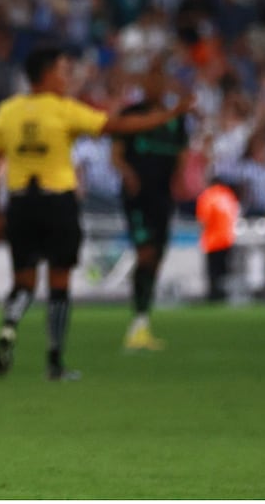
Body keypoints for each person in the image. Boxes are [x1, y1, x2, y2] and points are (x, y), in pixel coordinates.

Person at [0, 46, 193, 380]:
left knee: (23, 282)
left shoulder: (8, 111)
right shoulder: (64, 110)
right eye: (62, 71)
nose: (66, 78)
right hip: (57, 203)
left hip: (20, 203)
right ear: (46, 75)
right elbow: (117, 126)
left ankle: (9, 326)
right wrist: (168, 115)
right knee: (59, 282)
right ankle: (54, 361)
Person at [109, 59, 189, 350]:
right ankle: (138, 324)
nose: (154, 86)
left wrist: (179, 180)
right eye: (150, 80)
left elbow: (181, 155)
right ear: (143, 84)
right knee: (145, 253)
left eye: (159, 81)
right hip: (138, 197)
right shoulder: (131, 115)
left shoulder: (174, 119)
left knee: (156, 257)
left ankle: (142, 321)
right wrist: (128, 173)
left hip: (162, 197)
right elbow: (116, 154)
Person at [195, 178, 241, 302]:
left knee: (213, 270)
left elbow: (203, 219)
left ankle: (214, 295)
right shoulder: (228, 196)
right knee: (224, 269)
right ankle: (224, 294)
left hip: (213, 240)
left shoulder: (208, 196)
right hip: (227, 238)